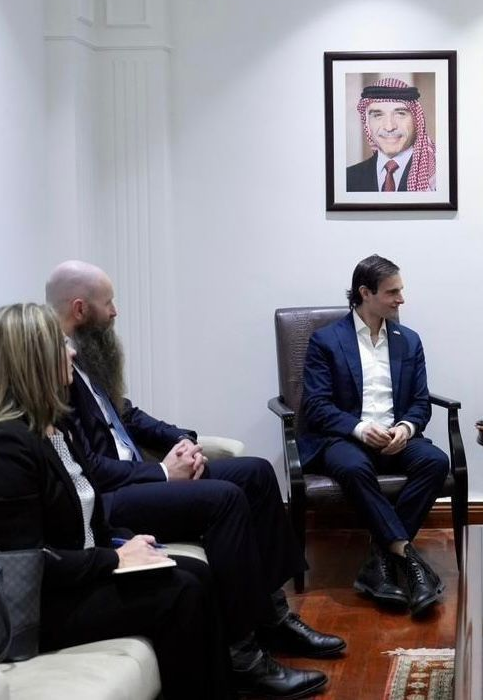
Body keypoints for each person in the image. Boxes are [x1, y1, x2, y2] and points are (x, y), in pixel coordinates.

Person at [45, 260, 339, 698]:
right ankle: (243, 656)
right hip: (111, 497)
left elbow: (128, 415)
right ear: (80, 309)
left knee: (257, 473)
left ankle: (274, 618)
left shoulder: (85, 356)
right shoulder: (53, 368)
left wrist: (183, 440)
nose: (116, 312)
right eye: (109, 303)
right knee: (223, 499)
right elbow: (89, 469)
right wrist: (165, 471)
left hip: (137, 479)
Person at [0, 303, 231, 699]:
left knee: (197, 574)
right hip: (36, 606)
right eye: (60, 346)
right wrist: (115, 558)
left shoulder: (55, 429)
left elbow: (88, 519)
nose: (72, 352)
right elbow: (28, 559)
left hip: (76, 578)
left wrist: (128, 541)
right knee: (180, 593)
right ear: (31, 360)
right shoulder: (1, 447)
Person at [299, 255, 451, 615]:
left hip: (396, 437)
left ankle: (379, 561)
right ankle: (409, 560)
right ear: (365, 293)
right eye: (392, 292)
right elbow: (316, 406)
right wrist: (360, 428)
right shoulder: (326, 341)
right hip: (345, 438)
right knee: (353, 468)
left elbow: (420, 402)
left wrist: (406, 428)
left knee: (435, 462)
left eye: (401, 290)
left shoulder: (408, 341)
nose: (401, 299)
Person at [345, 78, 437, 192]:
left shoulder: (438, 177)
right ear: (367, 124)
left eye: (400, 114)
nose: (389, 127)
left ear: (416, 120)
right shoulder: (348, 178)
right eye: (378, 115)